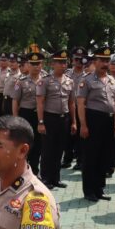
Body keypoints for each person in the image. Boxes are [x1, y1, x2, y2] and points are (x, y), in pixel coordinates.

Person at [76, 47, 115, 202]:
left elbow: (113, 102)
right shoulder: (86, 80)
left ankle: (100, 189)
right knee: (91, 156)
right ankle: (89, 190)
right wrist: (83, 125)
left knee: (104, 156)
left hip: (108, 120)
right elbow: (81, 104)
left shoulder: (112, 80)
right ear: (95, 62)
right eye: (102, 60)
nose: (105, 64)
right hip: (93, 120)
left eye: (107, 61)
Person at [36, 50, 76, 189]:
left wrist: (74, 121)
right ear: (53, 64)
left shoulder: (69, 81)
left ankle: (56, 178)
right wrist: (40, 122)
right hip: (49, 118)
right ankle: (45, 178)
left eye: (64, 62)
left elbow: (71, 103)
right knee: (48, 149)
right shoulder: (45, 81)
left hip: (64, 118)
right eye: (59, 62)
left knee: (59, 149)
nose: (63, 65)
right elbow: (40, 102)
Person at [12, 50, 43, 178]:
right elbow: (15, 101)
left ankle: (35, 171)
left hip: (40, 116)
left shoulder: (46, 80)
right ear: (28, 65)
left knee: (39, 144)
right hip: (26, 115)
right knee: (25, 144)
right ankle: (22, 171)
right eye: (33, 64)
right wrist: (15, 119)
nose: (36, 66)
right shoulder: (21, 82)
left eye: (38, 64)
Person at [63, 47, 88, 169]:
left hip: (83, 108)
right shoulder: (66, 74)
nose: (78, 62)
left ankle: (80, 160)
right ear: (72, 60)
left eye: (81, 59)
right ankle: (67, 159)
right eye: (76, 59)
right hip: (69, 107)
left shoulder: (89, 75)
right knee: (68, 135)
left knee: (81, 136)